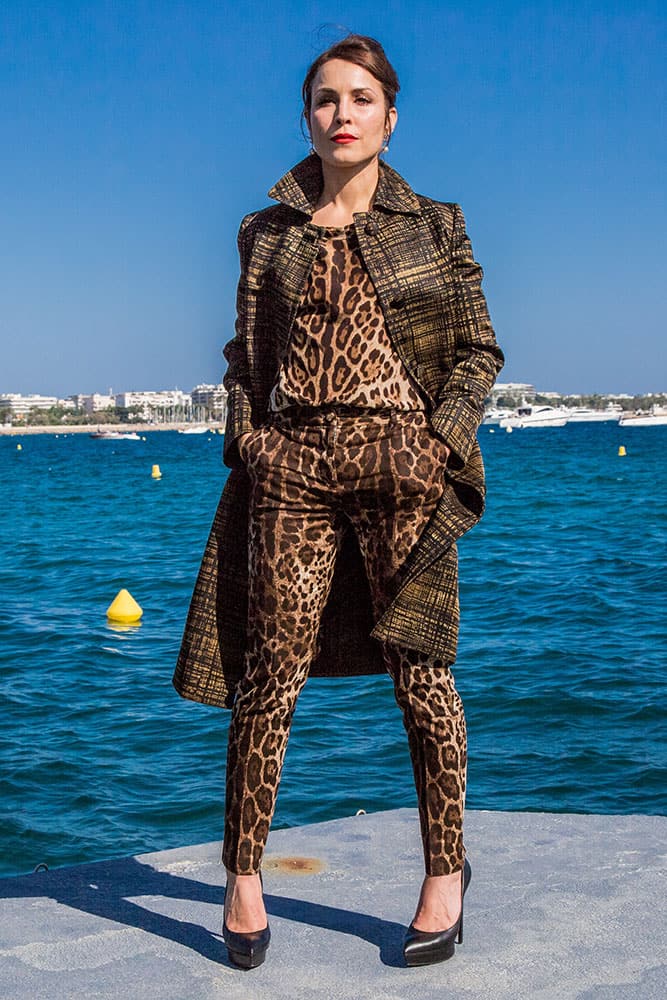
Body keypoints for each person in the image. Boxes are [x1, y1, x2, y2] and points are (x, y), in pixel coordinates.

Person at [173, 33, 503, 969]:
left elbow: (478, 349)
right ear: (307, 117)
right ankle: (242, 876)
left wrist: (439, 439)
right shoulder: (264, 231)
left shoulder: (434, 223)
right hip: (293, 465)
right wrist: (252, 439)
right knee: (265, 678)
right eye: (325, 99)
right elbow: (242, 358)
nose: (342, 113)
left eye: (360, 98)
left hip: (402, 459)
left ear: (390, 116)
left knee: (421, 670)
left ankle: (445, 870)